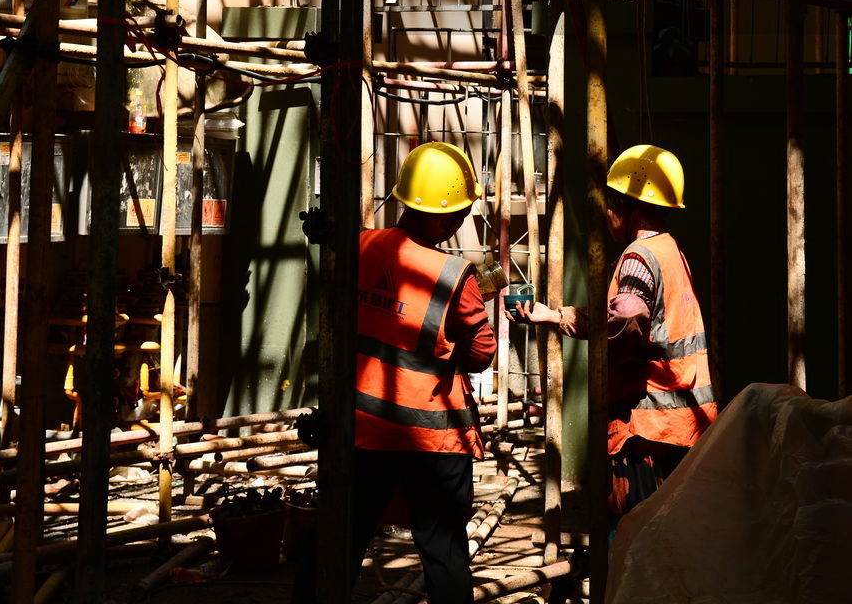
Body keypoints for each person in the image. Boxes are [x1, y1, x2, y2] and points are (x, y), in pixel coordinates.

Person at [295, 140, 496, 604]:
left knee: (338, 537)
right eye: (462, 211)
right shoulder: (453, 274)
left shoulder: (358, 246)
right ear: (447, 216)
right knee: (443, 552)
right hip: (433, 438)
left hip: (363, 429)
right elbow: (481, 353)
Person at [514, 143, 717, 524]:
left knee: (635, 536)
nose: (607, 215)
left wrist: (573, 327)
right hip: (682, 420)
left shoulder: (638, 257)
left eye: (610, 204)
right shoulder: (669, 250)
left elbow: (625, 321)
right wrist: (556, 316)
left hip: (650, 425)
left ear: (627, 205)